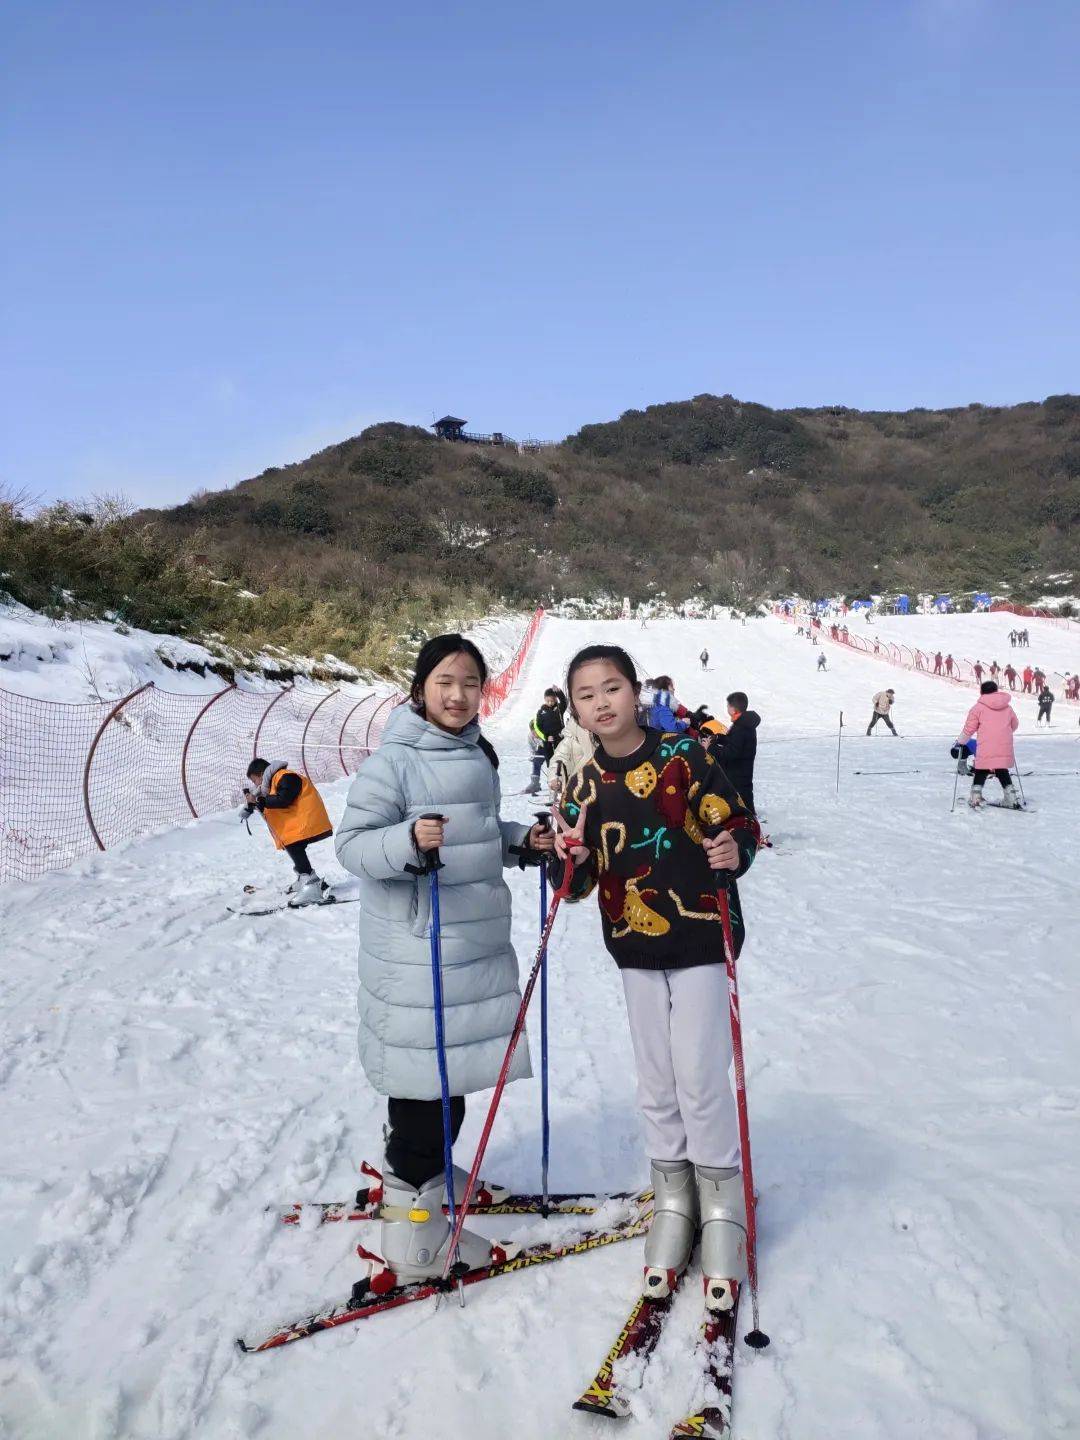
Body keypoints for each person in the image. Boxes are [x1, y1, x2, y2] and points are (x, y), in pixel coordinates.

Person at [335, 634, 555, 1285]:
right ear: (420, 688)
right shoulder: (395, 762)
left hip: (463, 956)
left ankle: (428, 1180)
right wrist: (405, 840)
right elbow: (351, 848)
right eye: (444, 682)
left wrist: (522, 841)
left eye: (469, 682)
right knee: (423, 1102)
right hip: (418, 963)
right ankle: (412, 1242)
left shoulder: (473, 753)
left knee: (442, 1090)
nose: (458, 695)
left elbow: (475, 838)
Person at [552, 644, 760, 1312]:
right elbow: (577, 880)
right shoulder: (580, 784)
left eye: (611, 687)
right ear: (575, 708)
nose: (601, 703)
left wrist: (735, 848)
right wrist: (570, 859)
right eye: (586, 695)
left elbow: (738, 823)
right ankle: (674, 1197)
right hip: (633, 945)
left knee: (700, 1075)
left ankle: (721, 1202)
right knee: (656, 1080)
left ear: (635, 691)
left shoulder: (685, 756)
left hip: (700, 932)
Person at [241, 757, 333, 904]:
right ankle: (307, 878)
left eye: (254, 781)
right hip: (297, 822)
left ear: (261, 774)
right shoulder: (273, 783)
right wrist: (254, 804)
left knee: (294, 845)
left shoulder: (286, 776)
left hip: (304, 819)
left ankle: (310, 884)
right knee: (293, 846)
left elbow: (284, 799)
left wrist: (260, 801)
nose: (255, 785)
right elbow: (271, 802)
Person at [953, 681, 1020, 809]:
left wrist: (960, 742)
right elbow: (1015, 724)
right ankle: (1011, 798)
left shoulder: (977, 708)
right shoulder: (1008, 707)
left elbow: (969, 729)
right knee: (1001, 768)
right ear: (996, 690)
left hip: (986, 745)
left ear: (982, 692)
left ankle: (976, 797)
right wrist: (1003, 732)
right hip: (1003, 743)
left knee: (982, 768)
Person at [712, 691, 761, 815]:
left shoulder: (741, 727)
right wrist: (719, 738)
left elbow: (732, 752)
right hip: (741, 770)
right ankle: (749, 818)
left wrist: (711, 748)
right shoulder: (743, 723)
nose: (727, 708)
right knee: (744, 796)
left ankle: (749, 823)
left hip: (738, 772)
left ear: (733, 709)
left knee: (742, 798)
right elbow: (735, 743)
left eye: (728, 706)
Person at [526, 687, 565, 795]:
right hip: (545, 745)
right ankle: (543, 785)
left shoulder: (558, 709)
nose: (550, 703)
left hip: (558, 741)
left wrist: (559, 692)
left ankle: (563, 784)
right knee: (546, 764)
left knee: (560, 762)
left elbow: (564, 702)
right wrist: (545, 737)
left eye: (552, 700)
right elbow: (537, 729)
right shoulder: (540, 713)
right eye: (548, 701)